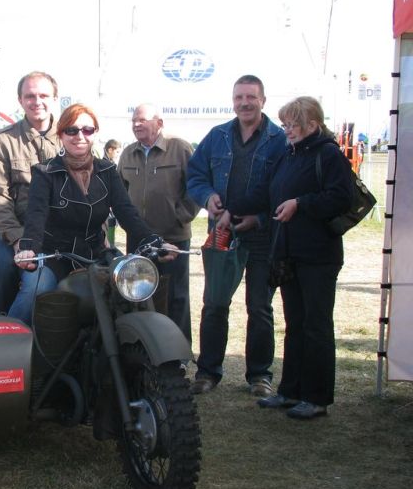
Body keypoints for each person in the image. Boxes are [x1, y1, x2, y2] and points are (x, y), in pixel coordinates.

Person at [231, 97, 352, 419]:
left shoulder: (328, 154)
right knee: (295, 324)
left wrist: (301, 203)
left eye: (291, 125)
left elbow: (342, 196)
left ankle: (317, 397)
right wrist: (230, 206)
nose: (286, 130)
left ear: (312, 125)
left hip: (318, 255)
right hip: (288, 253)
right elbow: (267, 193)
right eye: (284, 124)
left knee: (316, 326)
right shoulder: (289, 154)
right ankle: (290, 391)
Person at [10, 103, 175, 324]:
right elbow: (36, 215)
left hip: (95, 254)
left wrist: (154, 240)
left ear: (95, 133)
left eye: (87, 130)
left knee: (135, 285)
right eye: (72, 130)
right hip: (54, 255)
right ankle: (8, 346)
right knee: (36, 290)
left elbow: (126, 212)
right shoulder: (45, 172)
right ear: (61, 135)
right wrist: (29, 249)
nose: (80, 136)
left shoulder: (106, 171)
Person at [186, 74, 287, 397]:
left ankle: (259, 375)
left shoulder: (279, 140)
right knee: (214, 303)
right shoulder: (216, 136)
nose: (244, 103)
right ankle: (208, 372)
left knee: (259, 307)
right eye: (239, 97)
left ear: (263, 100)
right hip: (222, 233)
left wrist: (258, 218)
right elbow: (195, 174)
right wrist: (207, 197)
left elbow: (282, 186)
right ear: (233, 101)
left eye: (251, 97)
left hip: (262, 235)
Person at [118, 104, 200, 342]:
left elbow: (196, 187)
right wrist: (129, 222)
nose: (136, 124)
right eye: (133, 120)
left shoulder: (180, 149)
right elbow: (120, 192)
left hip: (172, 237)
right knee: (137, 294)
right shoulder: (128, 153)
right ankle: (144, 349)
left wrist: (180, 216)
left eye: (142, 120)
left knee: (175, 297)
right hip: (138, 239)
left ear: (159, 123)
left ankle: (179, 354)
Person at [0, 71, 61, 315]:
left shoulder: (70, 137)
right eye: (30, 96)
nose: (37, 101)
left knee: (39, 287)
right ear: (20, 100)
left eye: (43, 95)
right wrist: (18, 239)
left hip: (55, 236)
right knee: (2, 273)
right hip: (12, 232)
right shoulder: (4, 140)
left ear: (55, 98)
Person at [102, 139, 121, 245]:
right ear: (110, 150)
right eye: (117, 152)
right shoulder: (105, 166)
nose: (118, 155)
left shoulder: (111, 164)